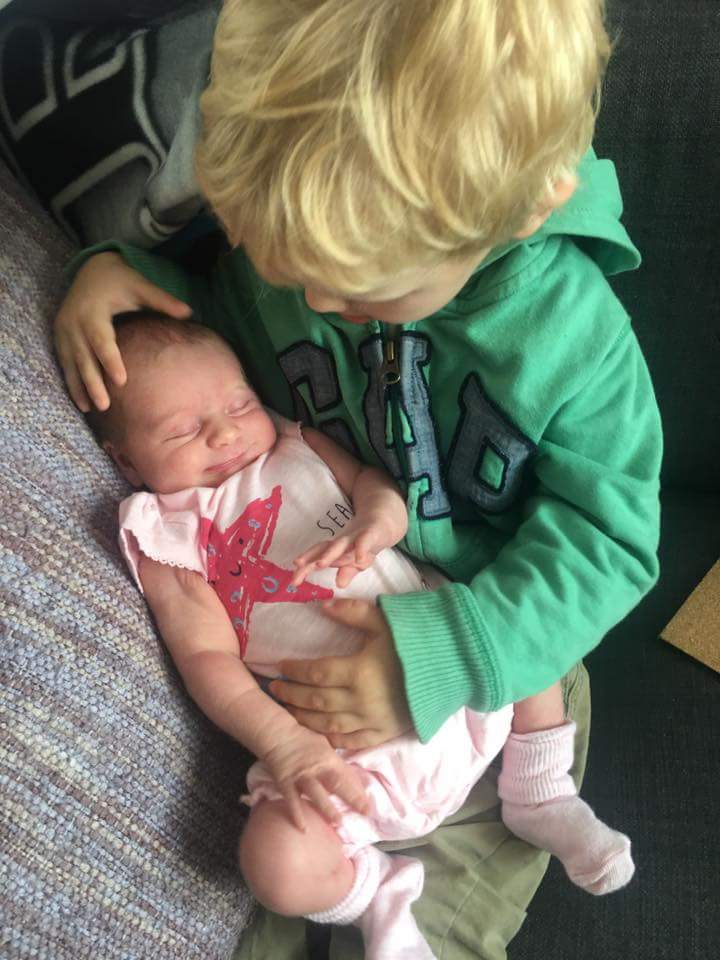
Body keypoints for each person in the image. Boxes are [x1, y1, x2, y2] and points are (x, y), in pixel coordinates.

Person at [54, 1, 662, 954]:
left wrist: (446, 652)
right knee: (273, 895)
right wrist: (117, 277)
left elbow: (611, 541)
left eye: (357, 287)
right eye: (286, 266)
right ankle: (369, 893)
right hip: (323, 719)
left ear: (528, 205)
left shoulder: (578, 340)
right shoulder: (310, 251)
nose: (314, 302)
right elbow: (210, 333)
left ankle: (542, 799)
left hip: (501, 657)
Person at [91, 312, 635, 959]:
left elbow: (371, 484)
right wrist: (284, 744)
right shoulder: (166, 531)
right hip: (341, 752)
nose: (226, 432)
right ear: (125, 459)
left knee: (514, 615)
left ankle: (540, 789)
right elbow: (203, 654)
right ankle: (376, 896)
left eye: (239, 404)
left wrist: (378, 519)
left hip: (452, 659)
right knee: (274, 862)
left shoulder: (293, 441)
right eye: (183, 429)